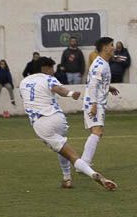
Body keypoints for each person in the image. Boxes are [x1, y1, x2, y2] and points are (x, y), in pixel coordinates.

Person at [18, 56, 116, 190]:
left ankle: (92, 173)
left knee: (70, 155)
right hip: (58, 118)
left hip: (41, 123)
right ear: (45, 69)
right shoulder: (47, 78)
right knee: (63, 148)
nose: (53, 71)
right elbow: (58, 89)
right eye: (51, 68)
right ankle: (67, 179)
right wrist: (70, 93)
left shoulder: (23, 82)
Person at [81, 36, 119, 168]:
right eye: (111, 45)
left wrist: (108, 87)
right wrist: (94, 104)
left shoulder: (102, 62)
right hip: (94, 102)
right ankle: (84, 163)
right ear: (105, 48)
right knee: (97, 132)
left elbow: (97, 83)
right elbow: (92, 85)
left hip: (95, 101)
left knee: (96, 132)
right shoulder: (100, 65)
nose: (113, 47)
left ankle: (84, 163)